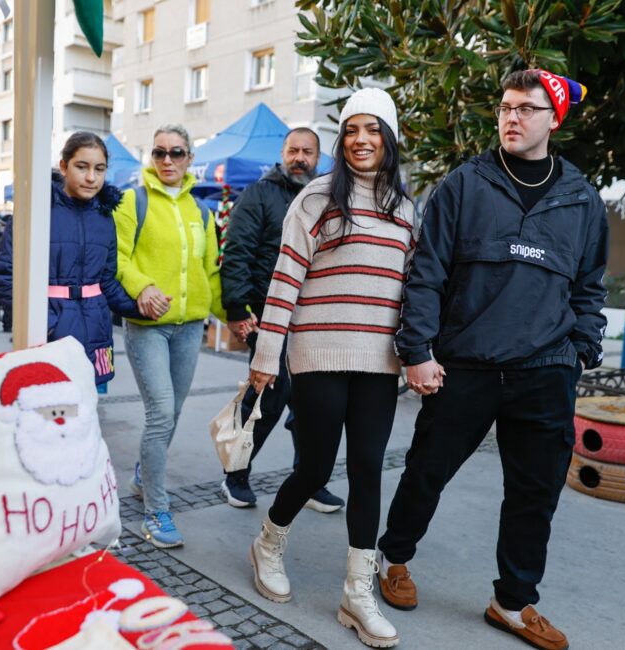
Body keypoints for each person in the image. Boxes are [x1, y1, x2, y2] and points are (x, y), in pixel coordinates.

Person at [376, 70, 608, 650]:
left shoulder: (581, 198)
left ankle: (512, 601)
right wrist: (418, 351)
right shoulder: (465, 185)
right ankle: (393, 560)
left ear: (554, 119)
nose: (512, 118)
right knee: (427, 471)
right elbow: (426, 274)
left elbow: (591, 285)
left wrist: (580, 349)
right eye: (506, 107)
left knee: (535, 493)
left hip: (546, 369)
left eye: (527, 109)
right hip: (467, 365)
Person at [246, 88, 414, 648]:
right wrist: (267, 355)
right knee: (315, 469)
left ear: (390, 139)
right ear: (342, 140)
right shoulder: (316, 199)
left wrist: (420, 355)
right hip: (317, 356)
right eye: (351, 130)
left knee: (368, 469)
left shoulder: (406, 210)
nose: (361, 140)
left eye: (373, 130)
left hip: (379, 362)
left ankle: (356, 593)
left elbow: (414, 293)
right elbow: (285, 279)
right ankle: (269, 542)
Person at [219, 127, 344, 513]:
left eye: (307, 152)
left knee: (314, 403)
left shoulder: (326, 198)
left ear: (318, 157)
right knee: (270, 396)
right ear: (283, 153)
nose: (299, 158)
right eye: (293, 150)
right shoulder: (259, 194)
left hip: (316, 317)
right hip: (269, 312)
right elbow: (237, 251)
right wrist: (237, 308)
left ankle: (308, 480)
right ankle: (235, 473)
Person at [115, 124, 225, 549]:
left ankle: (145, 472)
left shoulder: (202, 213)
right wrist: (143, 287)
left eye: (176, 153)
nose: (166, 160)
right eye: (158, 152)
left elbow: (210, 273)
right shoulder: (132, 201)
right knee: (161, 412)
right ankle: (156, 510)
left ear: (189, 159)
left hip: (189, 328)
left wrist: (233, 318)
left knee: (173, 412)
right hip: (148, 328)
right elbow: (119, 259)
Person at [0, 132, 145, 368]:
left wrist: (140, 309)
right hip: (49, 336)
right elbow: (5, 274)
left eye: (100, 169)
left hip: (97, 333)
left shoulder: (105, 217)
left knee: (91, 403)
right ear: (64, 167)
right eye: (82, 167)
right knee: (50, 403)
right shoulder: (35, 210)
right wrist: (44, 325)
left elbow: (107, 281)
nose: (91, 177)